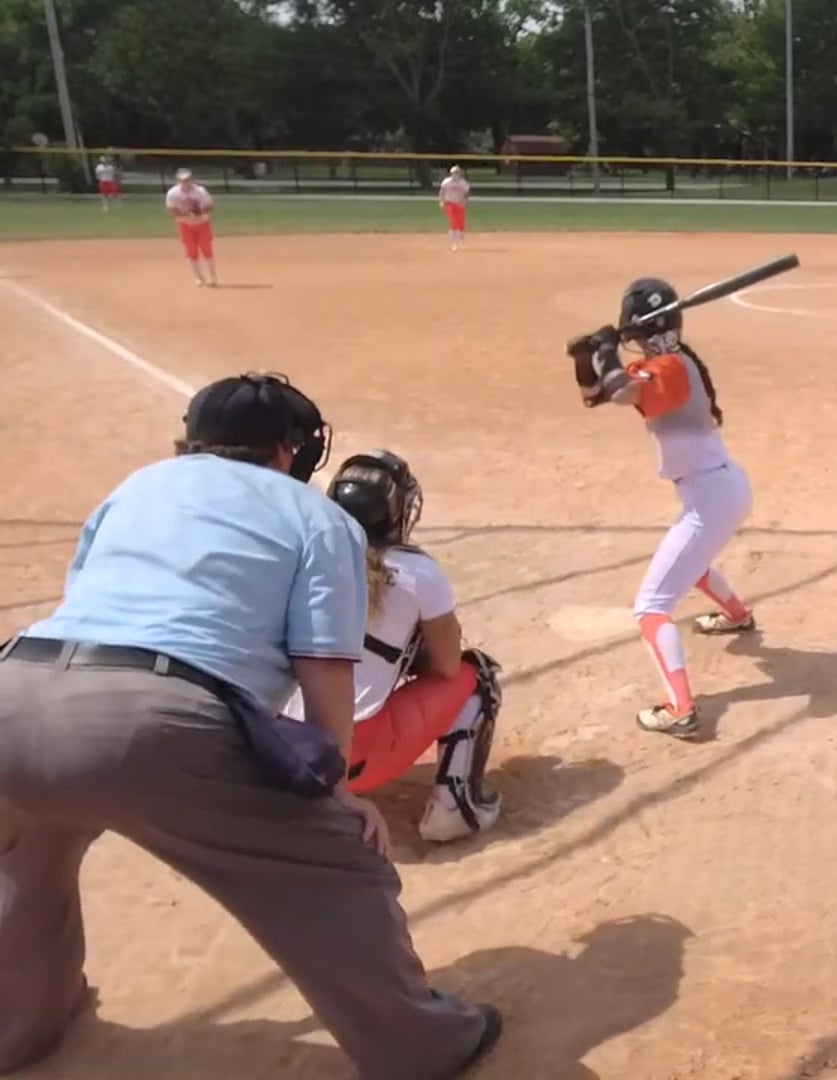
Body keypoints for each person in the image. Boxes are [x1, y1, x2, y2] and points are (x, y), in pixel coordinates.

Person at [0, 372, 501, 1077]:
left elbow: (86, 599)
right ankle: (423, 1045)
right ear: (289, 450)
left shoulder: (138, 487)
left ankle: (19, 1030)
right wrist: (336, 792)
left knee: (21, 865)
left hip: (16, 684)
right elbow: (325, 668)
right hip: (151, 716)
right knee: (335, 865)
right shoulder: (315, 516)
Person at [282, 449, 505, 843]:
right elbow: (448, 666)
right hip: (352, 760)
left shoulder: (303, 554)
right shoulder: (417, 572)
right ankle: (453, 810)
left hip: (274, 749)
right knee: (476, 677)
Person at [568, 279, 758, 740]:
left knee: (651, 608)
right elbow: (595, 395)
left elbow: (619, 392)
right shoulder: (661, 366)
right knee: (690, 561)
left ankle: (681, 709)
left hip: (712, 496)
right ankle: (737, 615)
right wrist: (584, 358)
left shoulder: (672, 368)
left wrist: (608, 350)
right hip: (716, 492)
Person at [164, 168, 218, 287]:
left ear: (192, 179)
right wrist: (185, 217)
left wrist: (204, 216)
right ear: (178, 180)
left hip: (202, 223)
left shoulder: (200, 191)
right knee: (191, 251)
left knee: (207, 249)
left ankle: (213, 276)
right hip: (184, 224)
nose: (186, 182)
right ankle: (198, 277)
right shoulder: (173, 193)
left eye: (188, 179)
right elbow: (171, 209)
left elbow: (210, 205)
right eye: (183, 180)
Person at [440, 165, 471, 252]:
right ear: (451, 173)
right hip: (449, 203)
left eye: (457, 173)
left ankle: (461, 242)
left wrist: (465, 201)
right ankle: (454, 244)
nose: (456, 174)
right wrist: (442, 201)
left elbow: (466, 193)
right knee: (453, 223)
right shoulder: (447, 182)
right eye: (454, 173)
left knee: (461, 225)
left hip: (459, 204)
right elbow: (442, 192)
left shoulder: (463, 183)